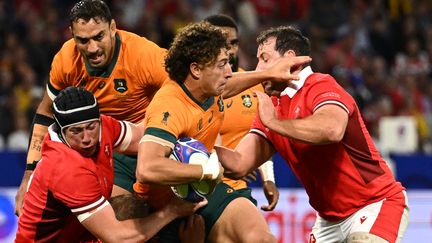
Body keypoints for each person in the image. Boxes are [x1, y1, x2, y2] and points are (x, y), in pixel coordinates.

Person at [15, 0, 312, 217]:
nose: (92, 48)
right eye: (83, 40)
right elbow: (45, 112)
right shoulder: (66, 59)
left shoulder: (144, 56)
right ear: (71, 35)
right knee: (108, 220)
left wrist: (265, 75)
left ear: (114, 29)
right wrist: (29, 172)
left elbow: (208, 81)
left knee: (175, 221)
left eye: (99, 37)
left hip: (148, 142)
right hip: (99, 149)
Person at [215, 26, 409, 243]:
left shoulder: (320, 84)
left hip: (375, 203)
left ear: (290, 58)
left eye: (265, 58)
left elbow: (332, 130)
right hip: (328, 220)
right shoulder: (272, 106)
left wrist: (274, 123)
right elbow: (239, 164)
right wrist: (199, 147)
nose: (259, 67)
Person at [134, 21, 309, 243]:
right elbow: (147, 168)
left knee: (261, 239)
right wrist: (206, 170)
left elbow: (231, 84)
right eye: (222, 65)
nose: (229, 72)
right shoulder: (170, 105)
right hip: (164, 202)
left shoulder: (208, 88)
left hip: (206, 191)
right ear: (196, 69)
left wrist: (269, 73)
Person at [15, 87, 207, 242]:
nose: (87, 138)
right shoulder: (65, 168)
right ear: (62, 131)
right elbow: (118, 237)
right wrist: (172, 210)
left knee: (134, 211)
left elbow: (143, 137)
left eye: (91, 127)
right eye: (76, 131)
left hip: (80, 235)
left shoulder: (104, 126)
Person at [205, 14, 279, 211]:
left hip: (237, 190)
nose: (229, 49)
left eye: (234, 43)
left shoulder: (256, 86)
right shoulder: (195, 88)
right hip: (200, 187)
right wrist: (228, 166)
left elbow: (260, 135)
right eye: (222, 43)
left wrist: (268, 179)